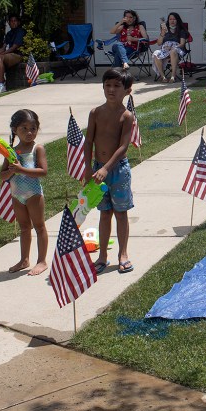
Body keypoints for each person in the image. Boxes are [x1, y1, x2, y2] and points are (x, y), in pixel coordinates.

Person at [84, 69, 135, 274]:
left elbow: (123, 147)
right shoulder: (95, 113)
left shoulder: (126, 116)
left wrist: (107, 168)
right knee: (104, 213)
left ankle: (123, 254)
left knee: (120, 213)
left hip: (118, 171)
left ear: (127, 91)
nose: (111, 90)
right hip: (98, 171)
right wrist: (88, 168)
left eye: (117, 86)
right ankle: (102, 255)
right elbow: (88, 141)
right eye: (108, 85)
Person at [0, 109, 48, 275]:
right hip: (16, 195)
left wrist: (20, 170)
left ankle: (42, 261)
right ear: (15, 130)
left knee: (39, 226)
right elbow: (3, 175)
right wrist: (12, 171)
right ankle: (24, 259)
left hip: (34, 193)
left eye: (33, 128)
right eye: (24, 129)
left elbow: (43, 171)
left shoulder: (37, 148)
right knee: (24, 227)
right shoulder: (11, 152)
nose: (29, 133)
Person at [152, 12, 188, 83]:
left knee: (173, 51)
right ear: (168, 20)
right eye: (170, 19)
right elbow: (159, 43)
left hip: (177, 49)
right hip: (165, 50)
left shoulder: (181, 30)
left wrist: (173, 47)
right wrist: (162, 33)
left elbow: (182, 44)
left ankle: (173, 76)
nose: (172, 21)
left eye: (174, 19)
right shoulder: (165, 30)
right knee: (156, 53)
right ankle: (163, 77)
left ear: (177, 20)